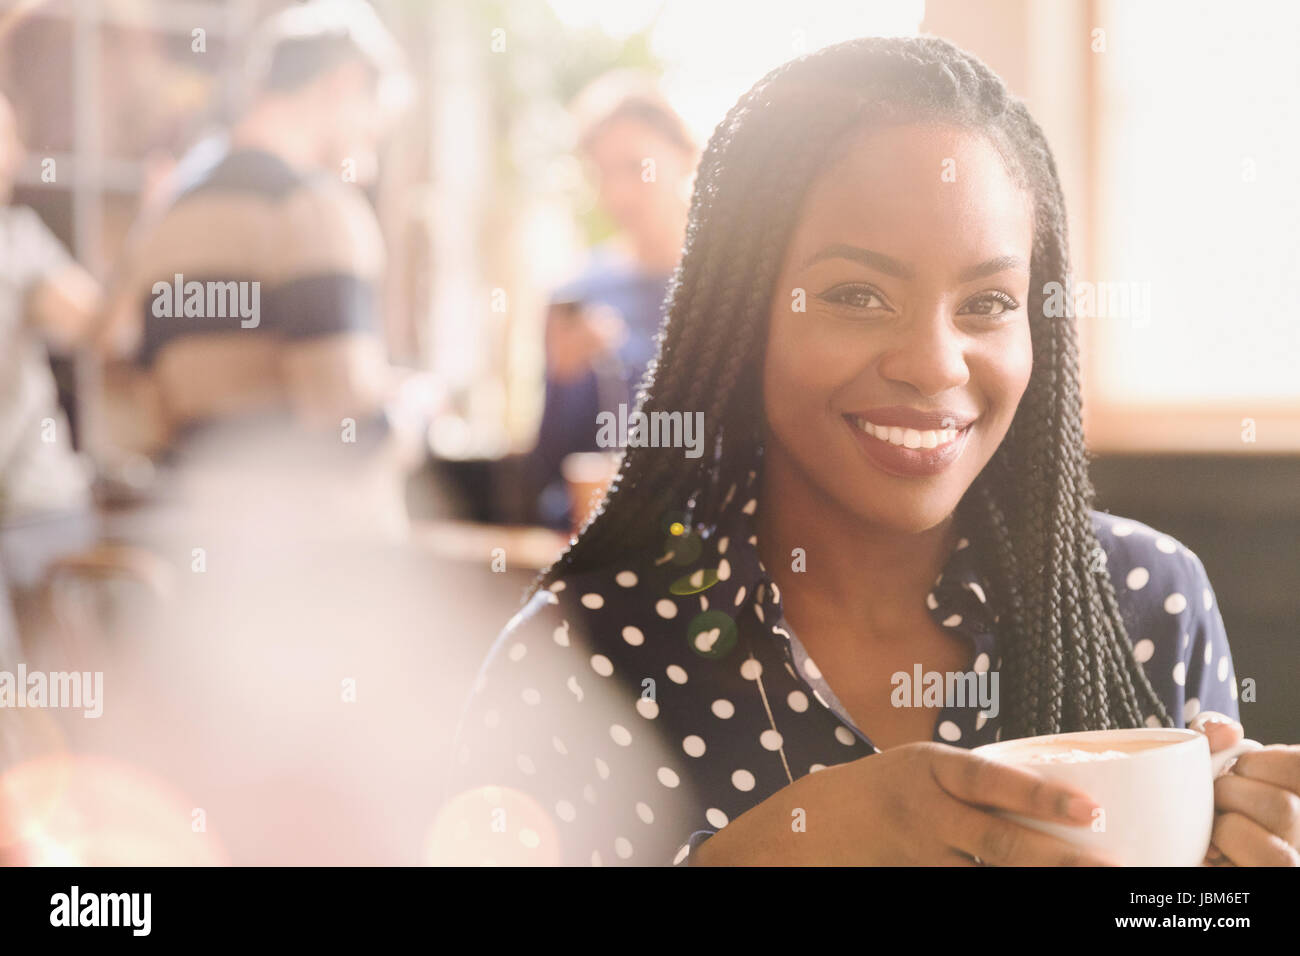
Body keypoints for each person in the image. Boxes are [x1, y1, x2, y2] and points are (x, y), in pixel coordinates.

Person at [442, 37, 1300, 867]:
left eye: (989, 302)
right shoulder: (579, 659)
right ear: (746, 313)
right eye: (859, 294)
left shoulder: (1148, 605)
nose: (933, 363)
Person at [101, 0, 430, 539]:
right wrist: (412, 412)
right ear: (344, 84)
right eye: (373, 130)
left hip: (214, 569)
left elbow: (149, 414)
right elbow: (348, 437)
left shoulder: (164, 225)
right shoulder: (315, 210)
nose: (369, 157)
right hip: (321, 567)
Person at [522, 72, 697, 528]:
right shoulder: (576, 294)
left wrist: (626, 357)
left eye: (635, 167)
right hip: (593, 545)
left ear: (685, 156)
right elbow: (549, 467)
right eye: (601, 174)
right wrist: (564, 377)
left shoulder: (729, 290)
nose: (617, 194)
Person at [0, 90, 102, 650]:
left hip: (37, 509)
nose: (12, 156)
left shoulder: (19, 241)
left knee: (63, 687)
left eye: (12, 140)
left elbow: (101, 327)